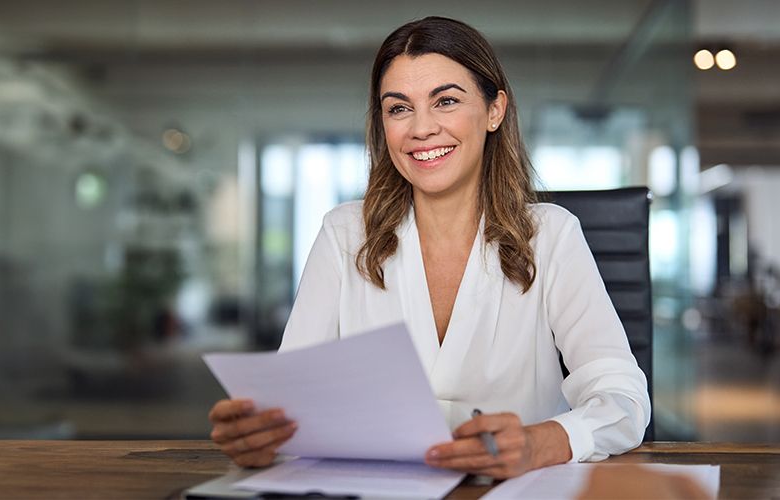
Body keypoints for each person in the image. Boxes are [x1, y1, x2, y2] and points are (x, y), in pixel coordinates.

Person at [207, 16, 650, 480]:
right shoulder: (344, 235)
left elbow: (623, 397)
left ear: (494, 110)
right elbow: (291, 402)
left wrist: (540, 443)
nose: (421, 128)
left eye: (446, 101)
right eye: (399, 108)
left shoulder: (551, 236)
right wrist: (261, 437)